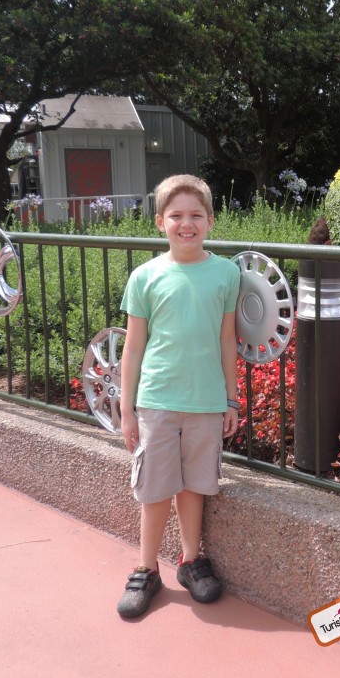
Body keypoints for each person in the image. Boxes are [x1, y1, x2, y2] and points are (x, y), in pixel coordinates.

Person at [115, 174, 241, 618]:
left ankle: (190, 560)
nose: (186, 224)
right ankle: (147, 568)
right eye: (176, 216)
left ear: (209, 220)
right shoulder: (145, 276)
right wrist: (127, 409)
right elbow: (133, 347)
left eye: (195, 215)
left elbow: (228, 341)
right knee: (154, 490)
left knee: (194, 488)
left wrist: (231, 398)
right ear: (159, 222)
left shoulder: (227, 273)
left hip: (206, 403)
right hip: (157, 402)